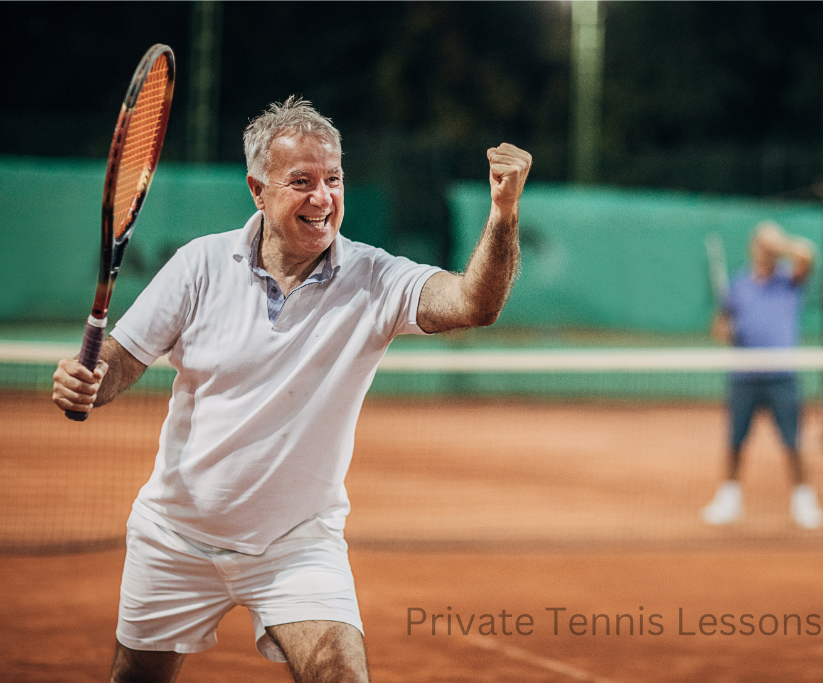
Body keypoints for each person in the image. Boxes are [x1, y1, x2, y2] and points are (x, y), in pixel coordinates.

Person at [51, 96, 532, 683]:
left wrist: (502, 214)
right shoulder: (199, 265)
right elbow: (121, 358)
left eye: (333, 179)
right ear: (258, 189)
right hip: (175, 537)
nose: (323, 197)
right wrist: (88, 382)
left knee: (339, 675)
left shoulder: (375, 278)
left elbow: (473, 304)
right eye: (301, 181)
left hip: (295, 545)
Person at [701, 221, 823, 530]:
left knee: (792, 442)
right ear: (752, 247)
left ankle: (803, 500)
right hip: (744, 377)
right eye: (762, 244)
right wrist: (723, 330)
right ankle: (729, 499)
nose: (766, 251)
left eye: (772, 247)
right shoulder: (738, 285)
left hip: (782, 376)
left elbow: (808, 254)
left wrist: (780, 243)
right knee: (735, 442)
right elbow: (720, 325)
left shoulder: (790, 281)